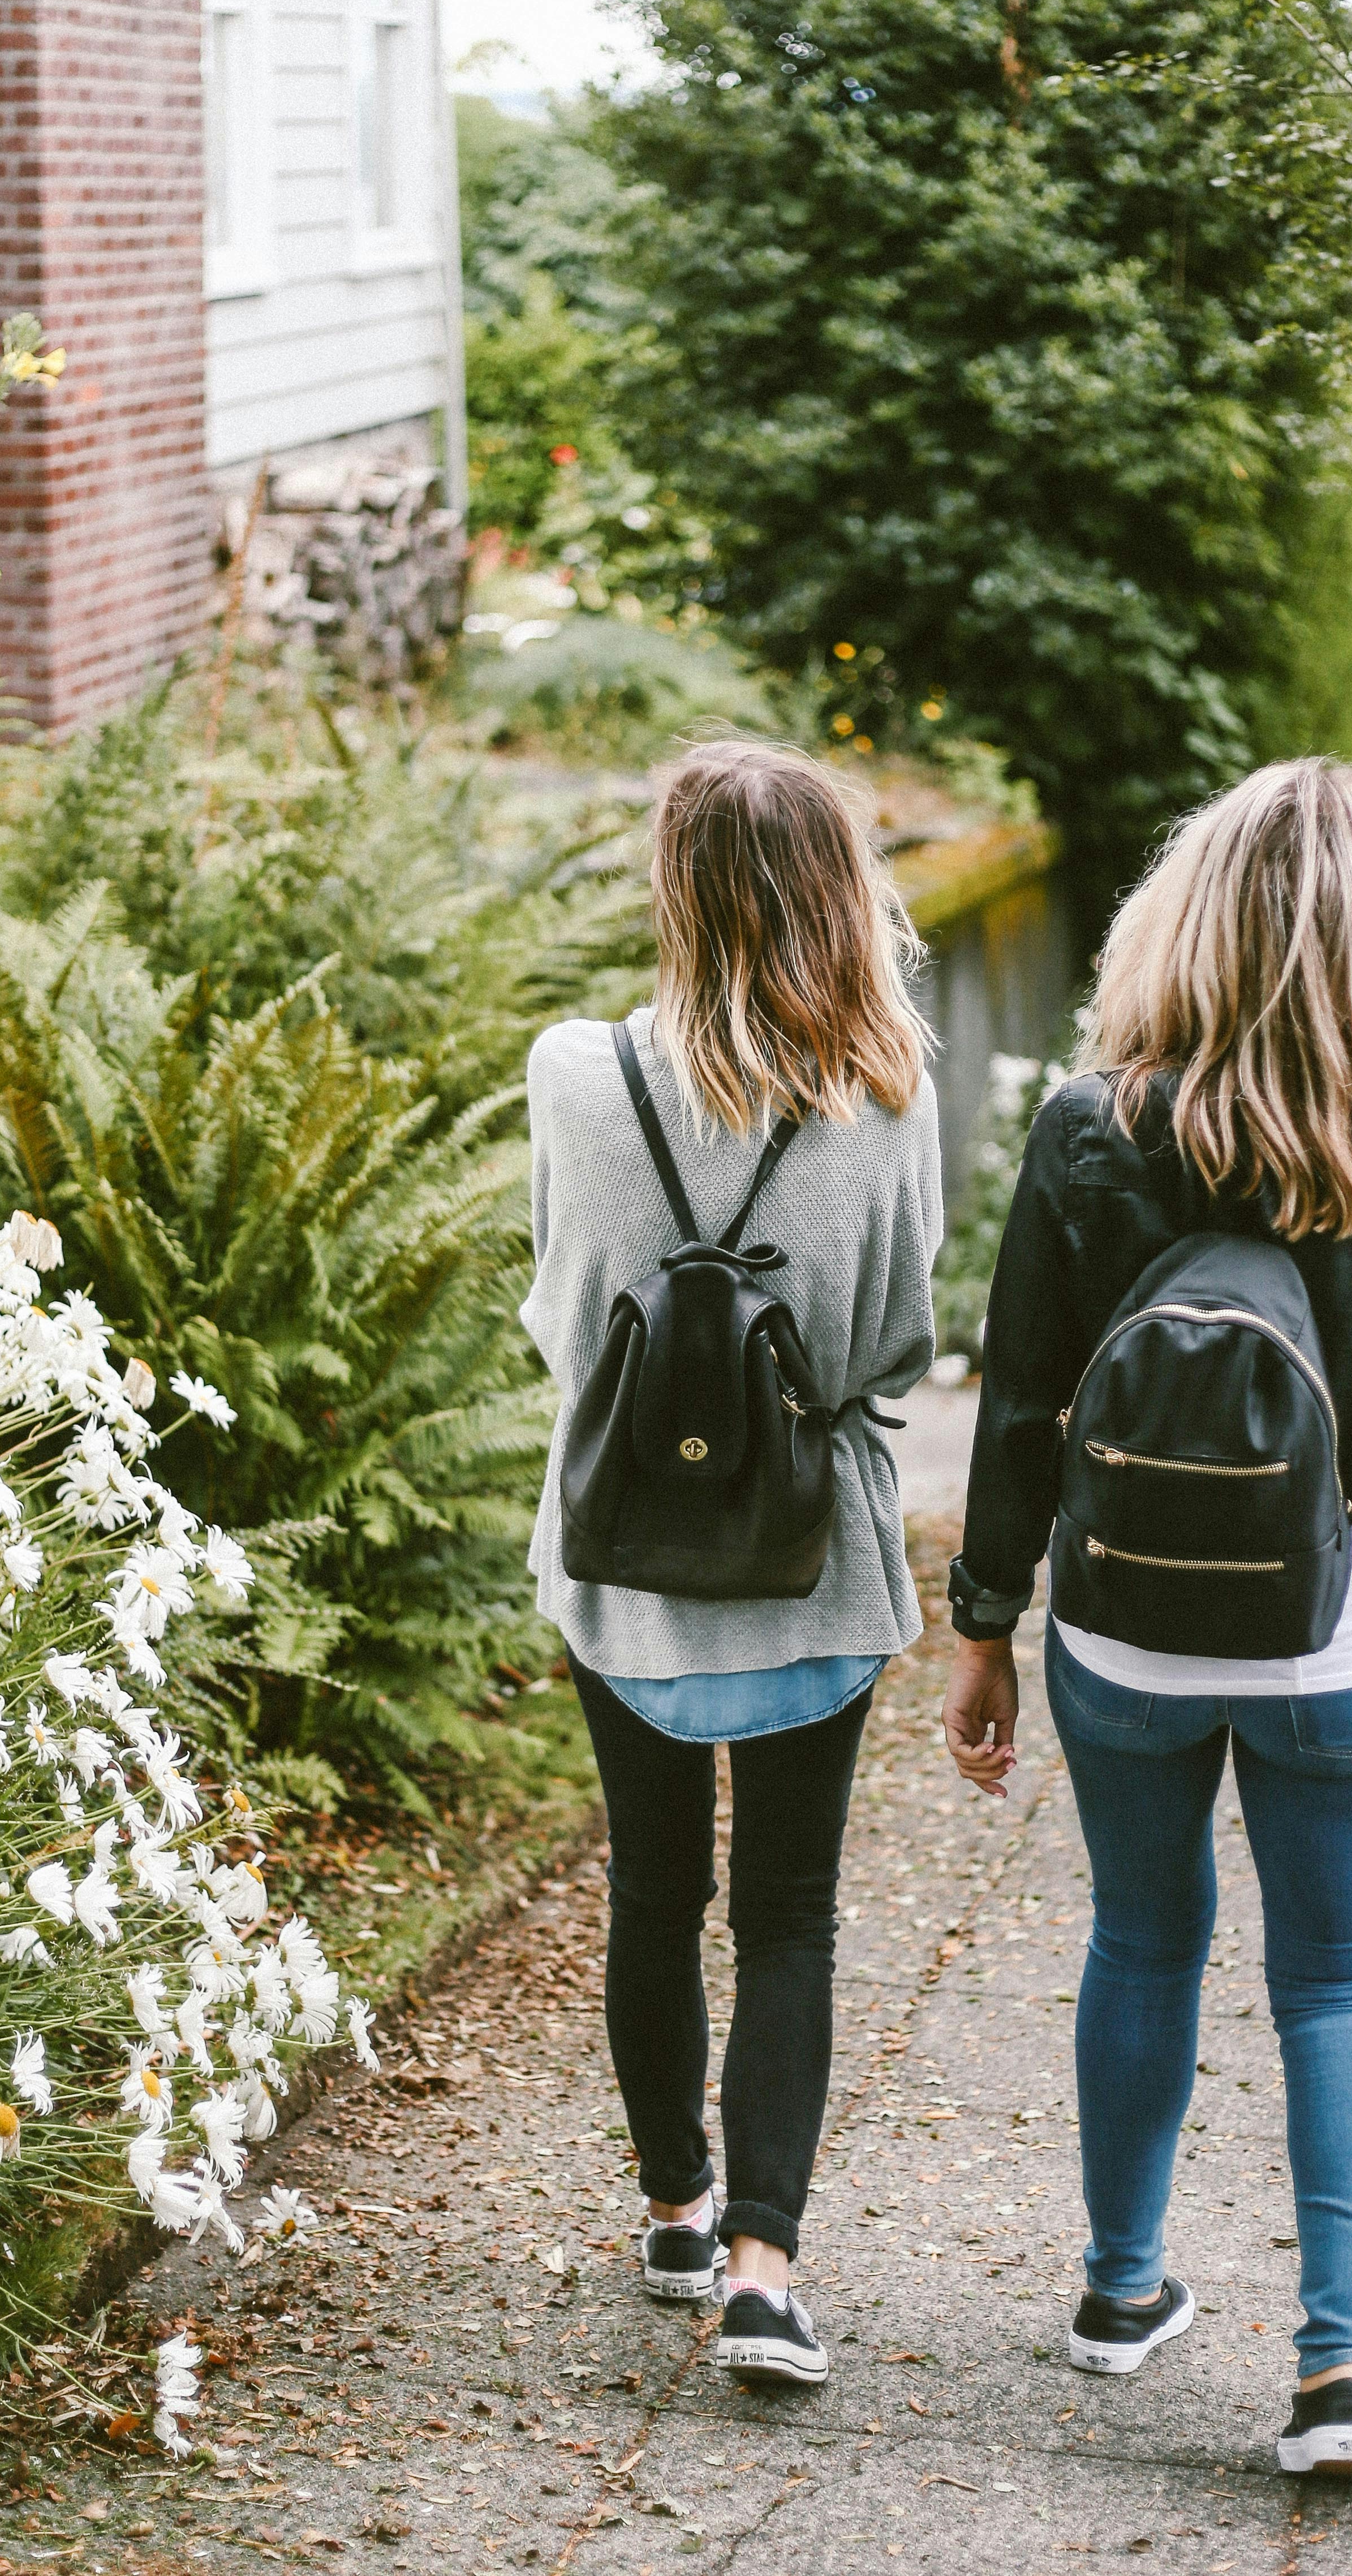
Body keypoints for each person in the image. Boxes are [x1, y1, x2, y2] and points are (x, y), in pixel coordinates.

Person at [938, 758, 1352, 2482]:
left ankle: (1120, 2293)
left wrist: (983, 1624)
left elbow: (1021, 1407)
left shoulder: (1087, 1126)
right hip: (1344, 1633)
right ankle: (1338, 2376)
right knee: (1337, 1980)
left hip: (1121, 1633)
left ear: (1180, 920)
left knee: (1142, 1942)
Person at [522, 740, 941, 2390]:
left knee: (649, 1887)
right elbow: (899, 1339)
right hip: (808, 1571)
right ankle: (764, 2273)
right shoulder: (887, 1091)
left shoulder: (574, 1074)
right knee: (788, 1918)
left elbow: (559, 1318)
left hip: (624, 1566)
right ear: (841, 892)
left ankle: (677, 2208)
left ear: (674, 889)